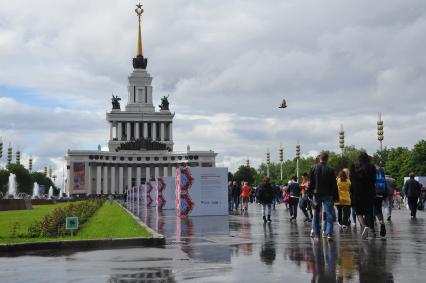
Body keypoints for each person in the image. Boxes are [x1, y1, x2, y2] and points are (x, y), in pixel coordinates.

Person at [307, 152, 339, 241]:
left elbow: (311, 183)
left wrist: (309, 192)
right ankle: (329, 233)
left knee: (316, 213)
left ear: (320, 158)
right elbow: (334, 184)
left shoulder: (313, 168)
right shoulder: (331, 169)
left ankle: (316, 233)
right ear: (327, 159)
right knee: (329, 214)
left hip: (317, 194)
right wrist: (336, 196)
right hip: (328, 194)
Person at [349, 152, 376, 240]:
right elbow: (373, 180)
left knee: (358, 212)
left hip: (356, 192)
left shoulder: (353, 166)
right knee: (368, 211)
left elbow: (351, 179)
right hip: (368, 191)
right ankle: (368, 225)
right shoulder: (371, 167)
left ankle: (363, 226)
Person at [373, 162, 387, 238]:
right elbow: (384, 181)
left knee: (370, 211)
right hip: (380, 192)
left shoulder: (368, 168)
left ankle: (372, 231)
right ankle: (382, 223)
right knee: (378, 210)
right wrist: (385, 194)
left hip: (371, 193)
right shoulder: (380, 169)